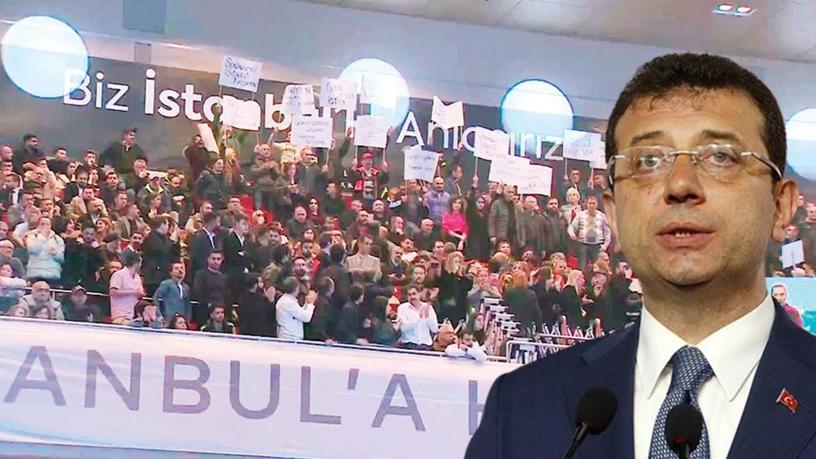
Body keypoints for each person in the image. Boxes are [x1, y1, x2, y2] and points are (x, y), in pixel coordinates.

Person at [467, 53, 812, 459]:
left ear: (781, 205)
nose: (680, 185)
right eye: (648, 161)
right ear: (613, 213)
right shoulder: (524, 407)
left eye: (720, 156)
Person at [568, 195, 612, 270]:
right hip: (583, 245)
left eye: (593, 203)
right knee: (582, 266)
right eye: (590, 203)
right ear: (587, 204)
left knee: (597, 266)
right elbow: (572, 226)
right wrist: (572, 234)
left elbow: (607, 232)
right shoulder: (580, 215)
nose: (591, 205)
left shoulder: (602, 216)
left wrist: (605, 245)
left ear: (597, 204)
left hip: (597, 246)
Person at [396, 284, 438, 350]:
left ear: (419, 294)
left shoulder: (428, 307)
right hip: (408, 344)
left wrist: (428, 317)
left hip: (426, 345)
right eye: (409, 295)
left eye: (414, 294)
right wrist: (418, 317)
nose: (412, 297)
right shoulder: (402, 308)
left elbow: (435, 329)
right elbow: (404, 328)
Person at [192, 250, 227, 325]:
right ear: (208, 259)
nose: (216, 261)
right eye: (213, 259)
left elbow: (226, 295)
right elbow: (197, 292)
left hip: (220, 312)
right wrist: (209, 304)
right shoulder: (200, 274)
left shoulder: (223, 277)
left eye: (218, 259)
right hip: (204, 311)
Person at [109, 251, 144, 324]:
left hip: (133, 314)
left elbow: (140, 292)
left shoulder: (137, 277)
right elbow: (112, 292)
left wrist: (140, 293)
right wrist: (132, 292)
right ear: (136, 263)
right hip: (120, 314)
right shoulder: (118, 275)